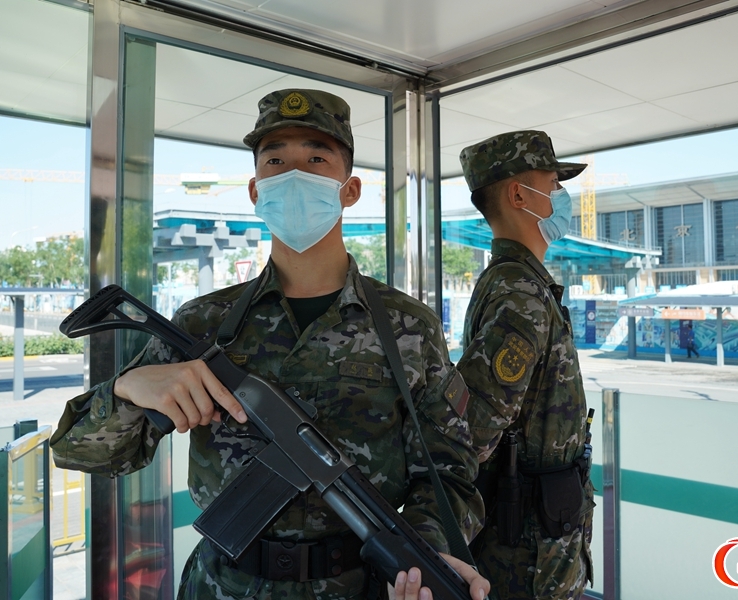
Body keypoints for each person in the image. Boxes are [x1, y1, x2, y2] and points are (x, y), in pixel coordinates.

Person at [50, 89, 489, 600]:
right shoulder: (202, 324)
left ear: (350, 191)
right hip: (223, 584)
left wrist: (421, 556)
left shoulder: (406, 327)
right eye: (276, 160)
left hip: (359, 585)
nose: (294, 175)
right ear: (257, 191)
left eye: (316, 158)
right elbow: (77, 450)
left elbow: (450, 472)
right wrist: (128, 390)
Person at [455, 131, 594, 600]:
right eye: (554, 183)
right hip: (530, 559)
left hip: (542, 538)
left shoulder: (517, 283)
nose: (561, 196)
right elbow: (470, 430)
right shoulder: (520, 294)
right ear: (520, 194)